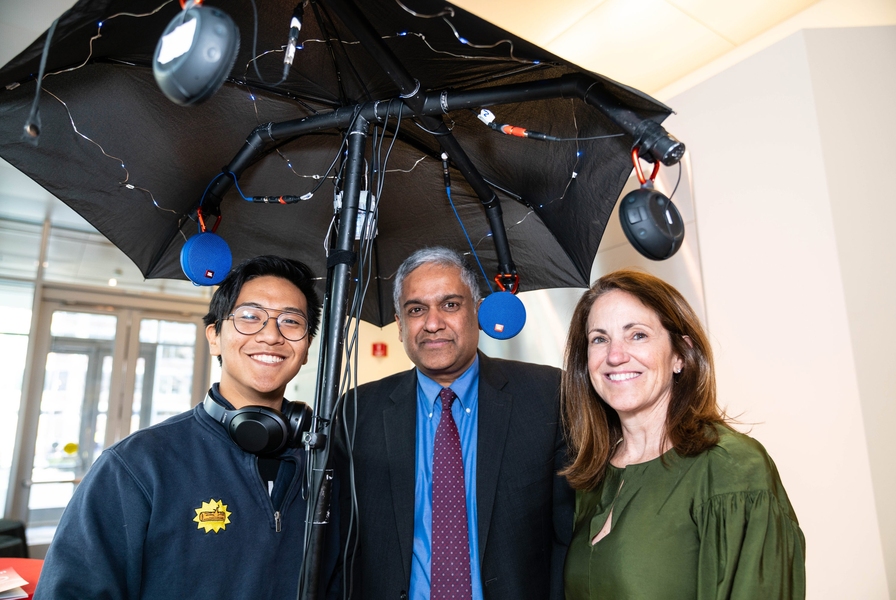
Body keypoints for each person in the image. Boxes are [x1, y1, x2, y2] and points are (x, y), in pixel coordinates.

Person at [34, 255, 333, 599]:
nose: (270, 335)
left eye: (291, 321)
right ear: (214, 337)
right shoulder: (137, 464)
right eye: (250, 317)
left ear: (306, 348)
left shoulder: (326, 465)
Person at [333, 246, 574, 599]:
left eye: (449, 305)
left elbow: (569, 537)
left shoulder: (548, 396)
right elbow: (341, 546)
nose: (433, 324)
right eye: (416, 310)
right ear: (400, 325)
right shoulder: (357, 411)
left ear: (477, 311)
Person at [561, 269, 805, 599]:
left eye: (638, 335)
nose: (615, 356)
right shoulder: (591, 476)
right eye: (599, 339)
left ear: (680, 354)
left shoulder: (732, 468)